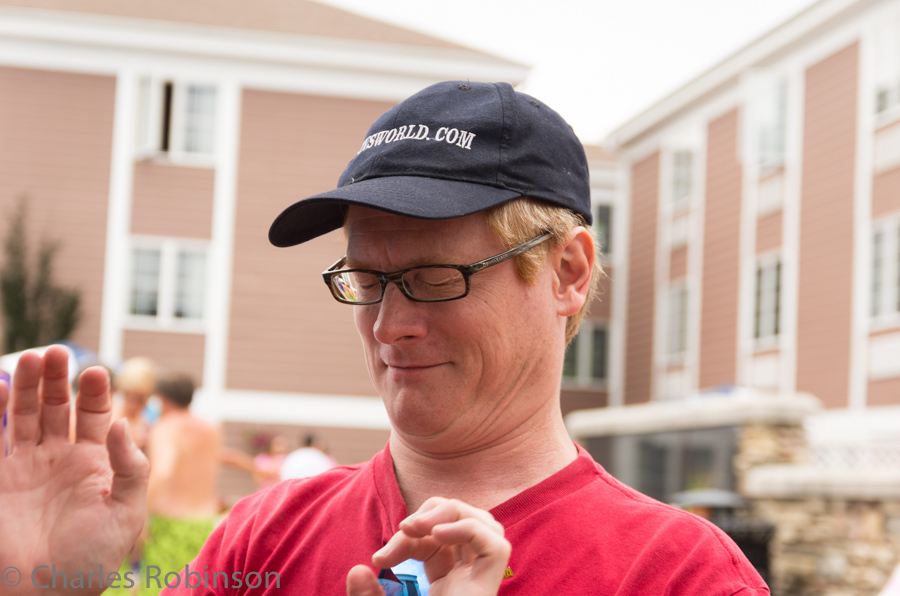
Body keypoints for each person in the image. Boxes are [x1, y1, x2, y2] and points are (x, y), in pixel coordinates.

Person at [0, 80, 769, 596]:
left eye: (438, 276)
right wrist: (39, 580)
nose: (390, 324)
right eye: (367, 278)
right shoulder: (266, 537)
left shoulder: (678, 574)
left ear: (567, 272)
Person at [138, 369, 220, 596]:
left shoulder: (165, 427)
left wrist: (142, 515)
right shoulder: (210, 429)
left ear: (162, 398)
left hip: (170, 524)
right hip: (205, 524)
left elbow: (163, 471)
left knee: (159, 590)